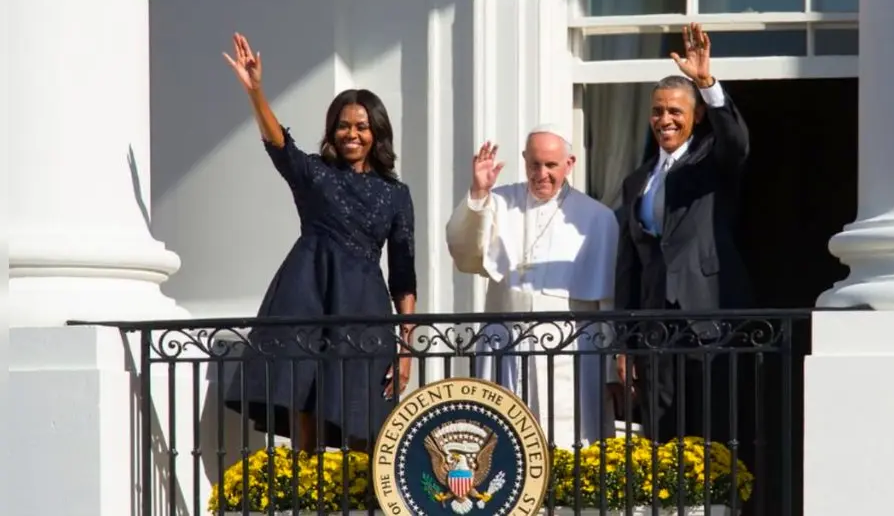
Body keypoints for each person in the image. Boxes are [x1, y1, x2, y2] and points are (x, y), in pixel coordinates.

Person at [220, 32, 417, 453]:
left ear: (376, 133)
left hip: (364, 308)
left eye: (362, 127)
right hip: (307, 295)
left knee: (366, 413)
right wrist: (256, 92)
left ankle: (363, 498)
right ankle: (307, 491)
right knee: (304, 400)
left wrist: (406, 349)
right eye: (343, 126)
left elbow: (403, 275)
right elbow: (279, 145)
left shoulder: (395, 194)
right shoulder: (315, 175)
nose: (352, 134)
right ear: (332, 131)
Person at [614, 23, 752, 445]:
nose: (665, 119)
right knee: (660, 431)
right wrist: (624, 342)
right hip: (656, 323)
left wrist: (706, 82)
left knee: (711, 427)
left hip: (707, 317)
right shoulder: (637, 180)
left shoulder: (709, 161)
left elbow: (737, 142)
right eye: (657, 111)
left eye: (675, 111)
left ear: (696, 116)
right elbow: (630, 266)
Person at [445, 126, 618, 448]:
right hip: (505, 345)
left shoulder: (597, 218)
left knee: (569, 440)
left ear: (570, 163)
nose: (541, 174)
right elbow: (464, 253)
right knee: (504, 443)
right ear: (524, 160)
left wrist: (611, 371)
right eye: (534, 164)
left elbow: (607, 303)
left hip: (570, 352)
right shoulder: (499, 202)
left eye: (551, 165)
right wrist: (479, 193)